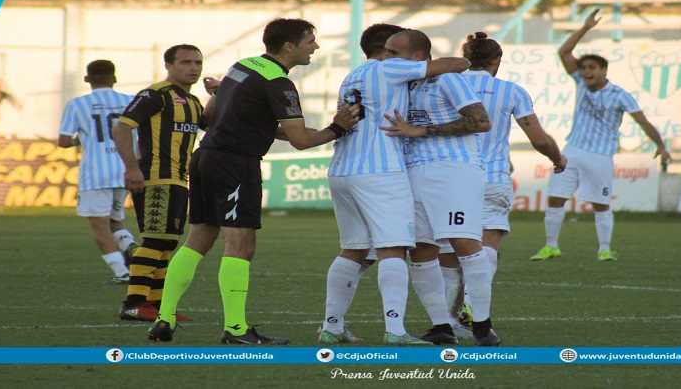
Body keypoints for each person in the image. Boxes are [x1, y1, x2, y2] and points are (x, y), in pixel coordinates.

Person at [147, 18, 361, 345]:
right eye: (310, 41)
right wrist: (339, 127)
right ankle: (235, 330)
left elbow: (220, 115)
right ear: (289, 46)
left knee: (198, 239)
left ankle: (164, 319)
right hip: (235, 164)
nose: (315, 47)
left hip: (206, 157)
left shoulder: (243, 65)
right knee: (241, 245)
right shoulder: (280, 83)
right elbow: (301, 141)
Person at [320, 23, 472, 346]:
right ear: (386, 50)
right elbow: (460, 63)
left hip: (342, 168)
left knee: (353, 249)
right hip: (380, 170)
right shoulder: (390, 68)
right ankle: (396, 330)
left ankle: (331, 326)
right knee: (394, 249)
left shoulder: (352, 76)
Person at [440, 32, 568, 338]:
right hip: (492, 177)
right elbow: (538, 139)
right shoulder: (511, 91)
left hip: (449, 177)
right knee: (487, 246)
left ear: (465, 56)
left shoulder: (443, 84)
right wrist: (557, 157)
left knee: (448, 249)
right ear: (496, 61)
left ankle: (448, 320)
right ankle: (474, 304)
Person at [381, 29, 500, 347]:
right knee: (420, 249)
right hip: (414, 171)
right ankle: (441, 326)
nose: (386, 57)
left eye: (394, 52)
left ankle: (482, 325)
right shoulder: (403, 83)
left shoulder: (447, 78)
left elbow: (481, 121)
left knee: (464, 243)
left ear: (418, 56)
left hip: (453, 170)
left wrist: (422, 130)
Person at [530, 9, 671, 262]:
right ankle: (551, 246)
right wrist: (586, 28)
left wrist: (660, 145)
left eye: (592, 68)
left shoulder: (619, 94)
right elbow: (563, 52)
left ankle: (604, 249)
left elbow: (643, 122)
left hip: (600, 155)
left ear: (604, 70)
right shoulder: (581, 84)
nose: (586, 72)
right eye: (583, 68)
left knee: (600, 204)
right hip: (571, 150)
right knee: (555, 198)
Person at [112, 44, 210, 322]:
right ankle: (134, 303)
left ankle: (156, 305)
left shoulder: (192, 102)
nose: (193, 68)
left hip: (179, 178)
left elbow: (211, 123)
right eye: (186, 62)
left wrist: (216, 94)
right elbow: (121, 127)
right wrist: (132, 168)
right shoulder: (155, 94)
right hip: (156, 176)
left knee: (167, 244)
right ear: (169, 66)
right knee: (155, 240)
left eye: (198, 63)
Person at [57, 60, 139, 284]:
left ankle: (122, 273)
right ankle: (128, 243)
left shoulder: (77, 104)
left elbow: (63, 140)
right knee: (114, 219)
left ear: (87, 79)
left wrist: (79, 140)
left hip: (95, 172)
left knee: (99, 224)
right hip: (124, 169)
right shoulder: (130, 102)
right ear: (114, 78)